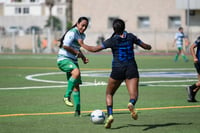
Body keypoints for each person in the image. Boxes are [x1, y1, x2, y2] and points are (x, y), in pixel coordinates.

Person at [79, 18, 152, 128]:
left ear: (114, 29)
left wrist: (82, 44)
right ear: (124, 28)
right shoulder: (131, 37)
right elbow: (145, 46)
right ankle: (131, 103)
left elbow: (94, 49)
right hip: (131, 68)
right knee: (134, 95)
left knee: (109, 93)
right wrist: (149, 46)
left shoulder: (111, 40)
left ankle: (110, 115)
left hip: (117, 69)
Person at [57, 17, 89, 116]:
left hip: (73, 60)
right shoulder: (72, 32)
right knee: (76, 72)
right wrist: (76, 52)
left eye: (86, 26)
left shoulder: (82, 35)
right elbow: (65, 46)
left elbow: (77, 48)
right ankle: (66, 96)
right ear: (77, 24)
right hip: (64, 59)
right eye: (82, 25)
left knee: (76, 85)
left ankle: (77, 111)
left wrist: (83, 57)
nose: (84, 28)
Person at [186, 36, 200, 102]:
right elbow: (192, 47)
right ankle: (191, 88)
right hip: (199, 62)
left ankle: (192, 96)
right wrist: (194, 57)